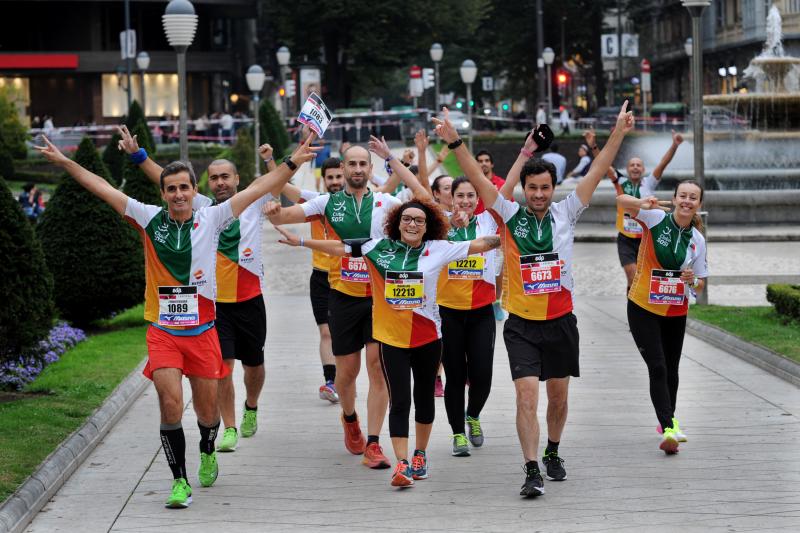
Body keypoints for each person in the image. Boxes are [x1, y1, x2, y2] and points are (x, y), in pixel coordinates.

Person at [35, 133, 317, 509]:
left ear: (193, 189)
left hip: (203, 333)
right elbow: (102, 188)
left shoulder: (212, 217)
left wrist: (292, 161)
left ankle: (207, 449)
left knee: (207, 414)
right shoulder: (148, 218)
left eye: (184, 187)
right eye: (171, 189)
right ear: (164, 193)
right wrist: (65, 163)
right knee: (170, 405)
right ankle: (179, 481)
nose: (179, 194)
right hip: (164, 333)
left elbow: (261, 187)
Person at [435, 102, 634, 498]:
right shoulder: (508, 214)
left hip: (561, 321)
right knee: (527, 395)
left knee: (558, 397)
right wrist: (455, 141)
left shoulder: (567, 212)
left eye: (545, 188)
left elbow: (596, 172)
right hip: (522, 324)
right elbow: (477, 176)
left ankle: (553, 451)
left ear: (552, 188)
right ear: (524, 190)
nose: (539, 194)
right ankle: (530, 470)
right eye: (533, 188)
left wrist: (619, 133)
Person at [275, 198, 501, 486]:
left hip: (429, 338)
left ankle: (420, 454)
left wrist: (490, 231)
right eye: (407, 219)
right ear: (397, 223)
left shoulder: (439, 249)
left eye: (419, 220)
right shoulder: (377, 247)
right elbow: (340, 247)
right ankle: (403, 463)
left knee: (423, 399)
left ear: (427, 226)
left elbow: (481, 245)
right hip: (390, 339)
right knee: (400, 401)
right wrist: (302, 242)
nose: (412, 224)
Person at [264, 136, 430, 470]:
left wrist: (394, 161)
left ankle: (373, 443)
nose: (356, 169)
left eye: (362, 164)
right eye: (351, 164)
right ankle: (349, 416)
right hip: (342, 296)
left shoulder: (386, 205)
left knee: (377, 369)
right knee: (347, 374)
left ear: (371, 170)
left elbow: (424, 197)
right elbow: (283, 215)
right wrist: (274, 206)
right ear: (342, 168)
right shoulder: (327, 203)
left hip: (380, 298)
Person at [119, 126, 281, 454]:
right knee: (224, 368)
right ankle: (231, 427)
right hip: (213, 306)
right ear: (205, 184)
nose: (220, 182)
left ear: (236, 180)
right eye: (214, 177)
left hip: (250, 300)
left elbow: (274, 184)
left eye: (226, 177)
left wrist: (272, 162)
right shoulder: (203, 207)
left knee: (255, 367)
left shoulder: (250, 201)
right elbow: (165, 180)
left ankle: (251, 406)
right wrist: (139, 156)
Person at [617, 182, 707, 454]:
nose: (687, 201)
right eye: (683, 196)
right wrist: (641, 204)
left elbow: (700, 284)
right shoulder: (655, 218)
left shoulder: (698, 240)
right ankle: (669, 427)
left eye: (693, 198)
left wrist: (693, 282)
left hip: (676, 311)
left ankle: (667, 419)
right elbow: (622, 200)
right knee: (657, 367)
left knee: (671, 369)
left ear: (698, 204)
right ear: (675, 198)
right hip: (643, 306)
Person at [436, 171, 517, 456]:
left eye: (471, 195)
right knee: (455, 377)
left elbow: (506, 189)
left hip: (482, 312)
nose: (466, 201)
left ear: (478, 198)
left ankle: (473, 416)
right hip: (448, 313)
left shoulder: (487, 220)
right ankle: (458, 433)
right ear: (451, 197)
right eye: (460, 195)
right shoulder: (440, 226)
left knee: (482, 375)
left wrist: (525, 153)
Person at [274, 156, 345, 402]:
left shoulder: (357, 203)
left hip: (347, 277)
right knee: (326, 333)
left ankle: (346, 379)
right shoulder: (316, 202)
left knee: (342, 335)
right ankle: (330, 382)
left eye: (339, 177)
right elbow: (283, 186)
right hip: (321, 278)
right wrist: (271, 161)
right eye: (330, 178)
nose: (335, 182)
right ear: (323, 180)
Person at [607, 129, 685, 291]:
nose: (635, 167)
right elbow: (604, 163)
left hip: (646, 237)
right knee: (632, 275)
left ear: (643, 169)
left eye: (638, 165)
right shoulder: (620, 182)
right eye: (632, 165)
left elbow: (663, 163)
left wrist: (674, 145)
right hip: (626, 238)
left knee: (646, 277)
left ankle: (640, 305)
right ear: (627, 169)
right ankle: (633, 306)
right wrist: (594, 145)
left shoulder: (649, 183)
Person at [474, 149, 507, 321]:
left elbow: (508, 208)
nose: (484, 163)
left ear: (492, 164)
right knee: (477, 270)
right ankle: (481, 301)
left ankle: (496, 302)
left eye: (487, 160)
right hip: (475, 236)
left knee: (497, 271)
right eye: (480, 160)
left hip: (496, 236)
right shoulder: (472, 184)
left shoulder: (501, 183)